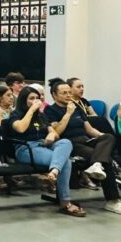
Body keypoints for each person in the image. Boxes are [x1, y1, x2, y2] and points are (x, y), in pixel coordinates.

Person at [45, 80, 121, 215]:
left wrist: (101, 136)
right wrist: (68, 114)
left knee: (108, 137)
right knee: (106, 161)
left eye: (69, 92)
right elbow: (56, 132)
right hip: (69, 144)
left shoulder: (76, 107)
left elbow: (89, 129)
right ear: (54, 95)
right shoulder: (50, 110)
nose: (68, 95)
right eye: (64, 93)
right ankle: (113, 201)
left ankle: (97, 164)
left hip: (86, 140)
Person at [9, 86, 85, 217]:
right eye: (31, 98)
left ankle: (54, 170)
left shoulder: (41, 116)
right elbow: (20, 128)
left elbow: (55, 133)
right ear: (23, 100)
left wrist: (51, 135)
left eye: (37, 98)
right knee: (66, 162)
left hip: (44, 145)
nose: (35, 101)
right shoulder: (16, 114)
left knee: (66, 142)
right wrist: (32, 110)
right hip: (26, 148)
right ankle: (65, 202)